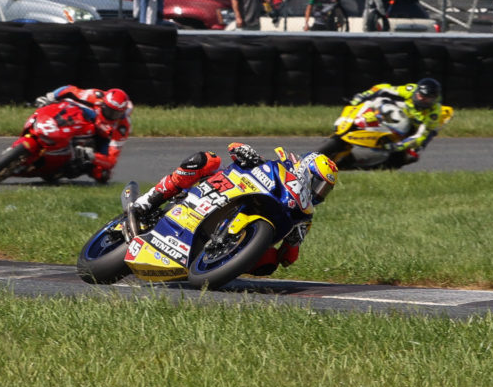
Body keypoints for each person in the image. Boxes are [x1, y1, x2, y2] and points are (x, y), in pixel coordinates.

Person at [130, 143, 338, 273]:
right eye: (318, 184)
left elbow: (288, 258)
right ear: (306, 171)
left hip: (238, 239)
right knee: (206, 160)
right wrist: (246, 153)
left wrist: (292, 243)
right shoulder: (278, 167)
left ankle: (217, 263)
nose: (318, 192)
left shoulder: (303, 217)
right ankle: (149, 200)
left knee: (268, 263)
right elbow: (235, 147)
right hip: (218, 190)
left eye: (324, 190)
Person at [32, 86, 132, 184]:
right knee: (65, 106)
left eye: (116, 114)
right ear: (103, 104)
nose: (111, 115)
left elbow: (111, 160)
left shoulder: (122, 127)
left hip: (101, 139)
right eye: (109, 111)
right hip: (83, 120)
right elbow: (69, 89)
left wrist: (93, 156)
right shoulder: (95, 96)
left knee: (103, 174)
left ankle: (69, 166)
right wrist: (50, 97)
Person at [350, 78, 447, 154]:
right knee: (380, 100)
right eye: (420, 95)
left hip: (413, 126)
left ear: (433, 99)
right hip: (404, 110)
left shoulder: (433, 112)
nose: (421, 99)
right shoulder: (411, 89)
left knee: (413, 145)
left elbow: (421, 136)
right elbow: (383, 87)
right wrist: (363, 95)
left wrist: (398, 146)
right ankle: (356, 118)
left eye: (426, 98)